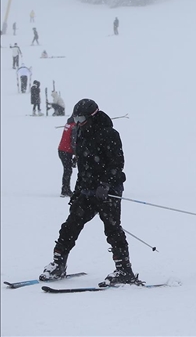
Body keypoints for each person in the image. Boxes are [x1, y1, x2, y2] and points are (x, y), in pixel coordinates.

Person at [40, 99, 143, 287]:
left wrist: (105, 184)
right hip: (86, 190)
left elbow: (117, 163)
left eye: (81, 119)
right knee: (70, 225)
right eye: (75, 119)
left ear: (93, 116)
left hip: (109, 191)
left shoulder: (109, 134)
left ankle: (124, 270)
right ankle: (58, 264)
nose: (78, 123)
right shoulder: (80, 132)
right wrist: (77, 192)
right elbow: (82, 168)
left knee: (112, 229)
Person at [57, 115, 76, 196]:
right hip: (66, 151)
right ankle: (65, 190)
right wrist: (77, 155)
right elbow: (74, 142)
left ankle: (65, 188)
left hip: (62, 150)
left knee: (67, 169)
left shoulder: (69, 123)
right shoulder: (74, 126)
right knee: (68, 170)